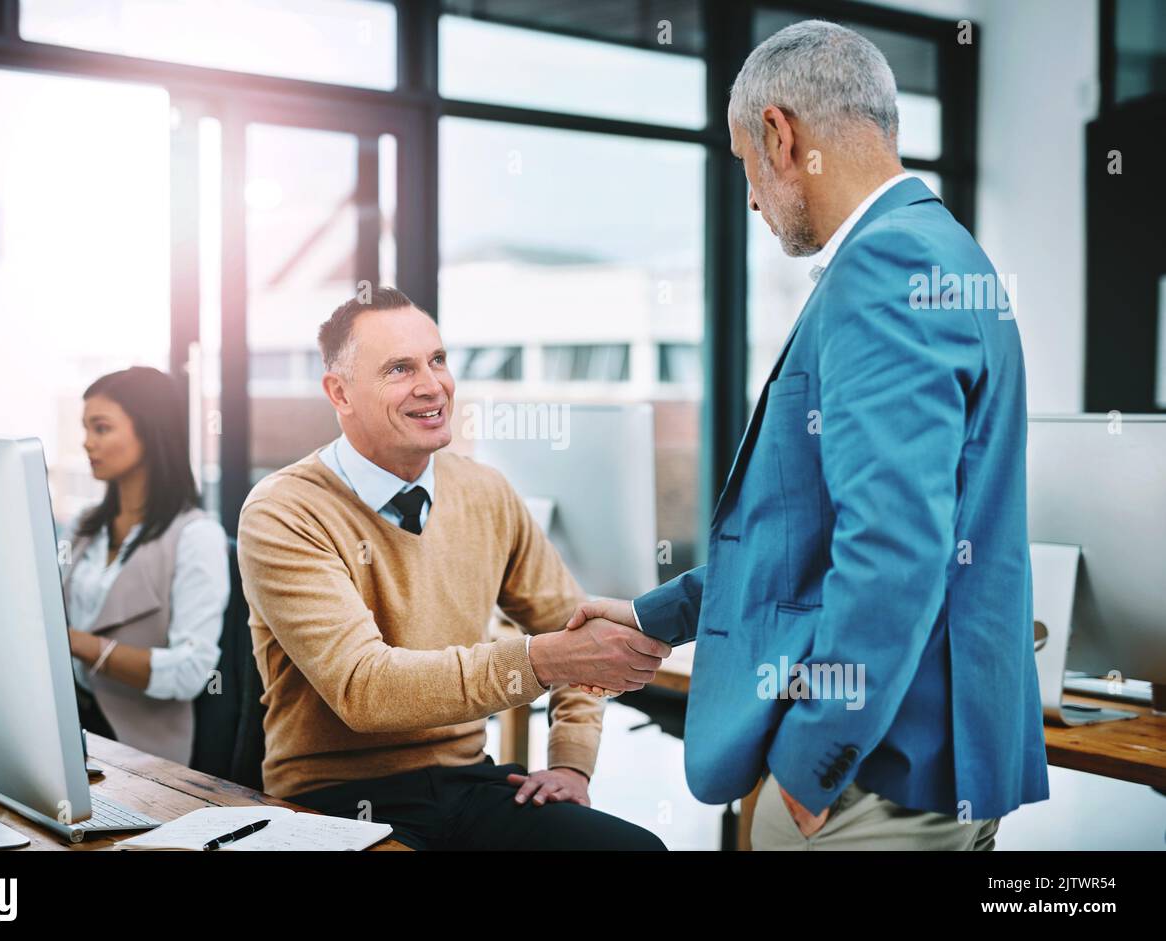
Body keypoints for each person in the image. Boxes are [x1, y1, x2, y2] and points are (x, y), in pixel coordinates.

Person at [568, 20, 1049, 850]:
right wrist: (665, 612)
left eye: (744, 165)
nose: (751, 198)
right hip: (924, 756)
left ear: (779, 135)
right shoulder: (943, 251)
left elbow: (894, 549)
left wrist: (808, 762)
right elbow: (812, 531)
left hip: (876, 769)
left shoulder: (887, 268)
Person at [236, 287, 669, 850]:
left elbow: (576, 633)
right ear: (339, 393)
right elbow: (366, 691)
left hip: (467, 784)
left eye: (437, 360)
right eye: (399, 368)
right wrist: (542, 660)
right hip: (334, 800)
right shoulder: (284, 511)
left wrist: (571, 764)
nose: (432, 385)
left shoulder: (484, 491)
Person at [59, 365, 229, 766]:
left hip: (141, 755)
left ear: (150, 433)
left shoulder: (195, 536)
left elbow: (191, 669)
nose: (87, 443)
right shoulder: (83, 526)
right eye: (85, 429)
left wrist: (77, 643)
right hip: (69, 731)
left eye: (101, 428)